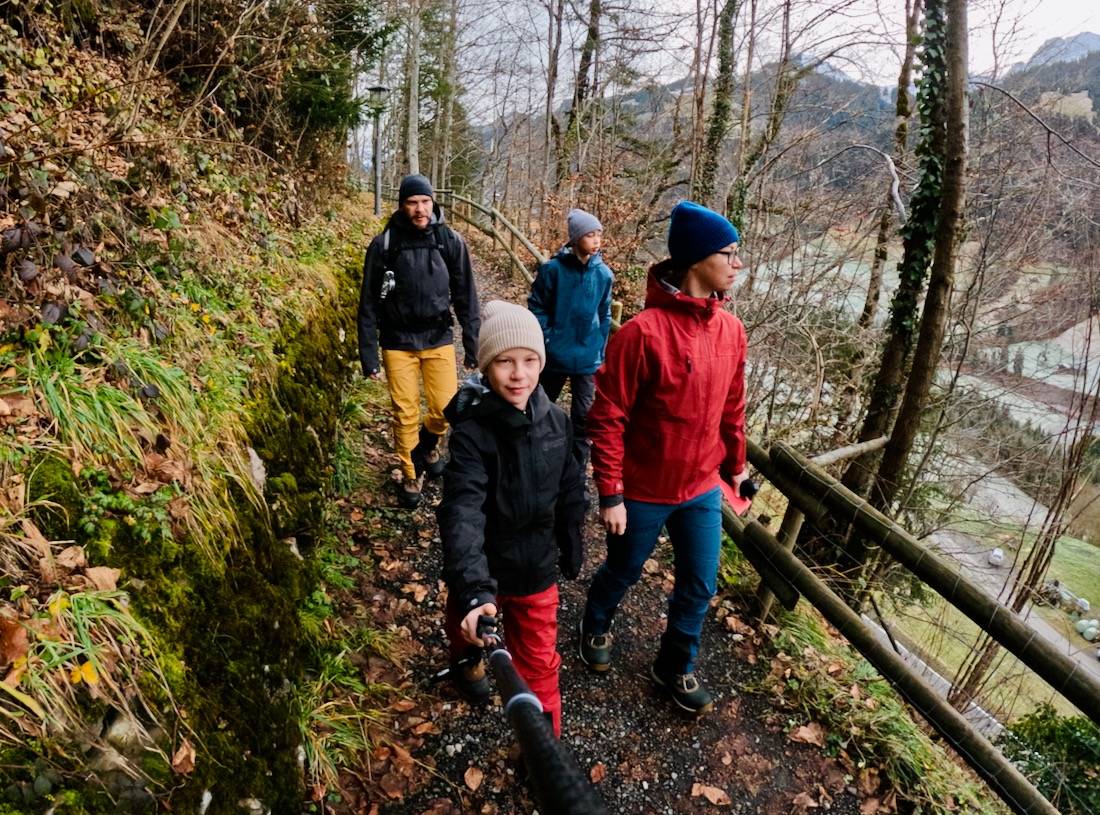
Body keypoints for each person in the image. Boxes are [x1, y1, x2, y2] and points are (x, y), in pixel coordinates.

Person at [578, 200, 749, 717]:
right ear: (699, 260)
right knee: (625, 568)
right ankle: (595, 620)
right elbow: (606, 419)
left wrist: (736, 466)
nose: (738, 264)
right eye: (730, 253)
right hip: (645, 490)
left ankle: (674, 666)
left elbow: (733, 407)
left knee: (699, 582)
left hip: (700, 486)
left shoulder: (732, 331)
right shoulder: (641, 334)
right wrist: (611, 492)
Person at [437, 300, 587, 737]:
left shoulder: (557, 422)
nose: (518, 373)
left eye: (529, 360)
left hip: (537, 568)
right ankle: (466, 661)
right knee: (465, 623)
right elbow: (462, 509)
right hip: (486, 563)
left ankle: (545, 745)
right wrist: (471, 588)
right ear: (486, 367)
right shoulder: (472, 434)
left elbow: (571, 488)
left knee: (539, 661)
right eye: (504, 361)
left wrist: (571, 543)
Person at [358, 174, 480, 509]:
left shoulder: (449, 241)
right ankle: (411, 472)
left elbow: (466, 295)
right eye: (412, 202)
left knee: (446, 408)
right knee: (405, 411)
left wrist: (472, 343)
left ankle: (428, 443)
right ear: (402, 206)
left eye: (425, 201)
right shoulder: (385, 244)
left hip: (438, 337)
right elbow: (368, 302)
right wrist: (369, 355)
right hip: (397, 341)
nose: (420, 209)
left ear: (433, 203)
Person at [527, 208, 614, 465]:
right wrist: (548, 338)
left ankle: (576, 470)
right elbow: (537, 306)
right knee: (540, 406)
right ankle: (535, 454)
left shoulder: (603, 274)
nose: (596, 240)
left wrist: (600, 348)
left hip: (587, 357)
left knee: (584, 418)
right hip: (556, 354)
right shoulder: (553, 270)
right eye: (590, 235)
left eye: (599, 234)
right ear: (576, 238)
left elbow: (605, 313)